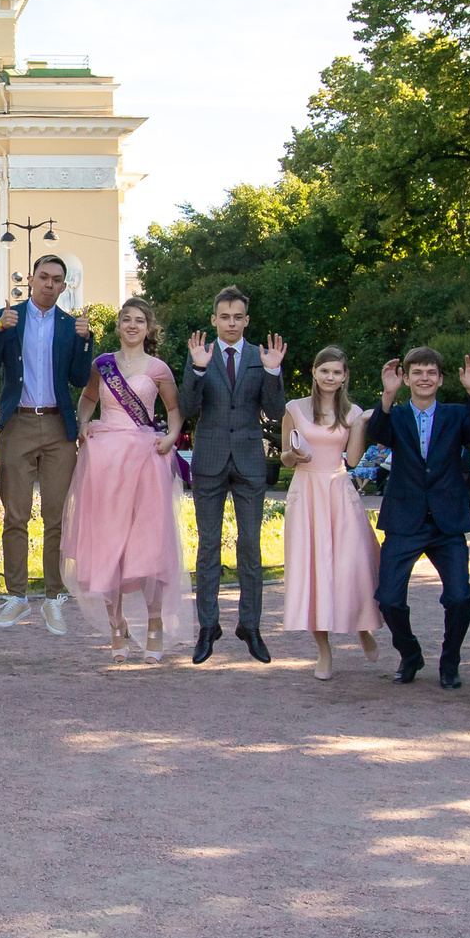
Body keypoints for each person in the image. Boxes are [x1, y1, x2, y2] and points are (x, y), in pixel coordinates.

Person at [61, 297, 189, 663]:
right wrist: (83, 423)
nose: (132, 326)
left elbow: (174, 410)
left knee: (146, 544)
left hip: (145, 459)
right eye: (126, 320)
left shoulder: (159, 368)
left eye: (140, 321)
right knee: (106, 542)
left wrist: (171, 436)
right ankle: (115, 624)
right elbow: (87, 398)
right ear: (118, 326)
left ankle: (154, 624)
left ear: (149, 328)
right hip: (104, 458)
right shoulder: (102, 364)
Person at [365, 348, 470, 687]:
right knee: (389, 599)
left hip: (447, 521)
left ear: (440, 379)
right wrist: (388, 395)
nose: (424, 377)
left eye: (431, 372)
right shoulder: (395, 416)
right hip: (404, 518)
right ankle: (410, 655)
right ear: (406, 378)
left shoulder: (457, 415)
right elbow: (376, 434)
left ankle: (450, 662)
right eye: (417, 372)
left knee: (459, 597)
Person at [0, 257, 97, 634]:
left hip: (58, 426)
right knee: (15, 515)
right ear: (31, 279)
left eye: (57, 280)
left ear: (64, 287)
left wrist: (86, 342)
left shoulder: (70, 325)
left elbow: (80, 378)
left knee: (57, 516)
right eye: (43, 277)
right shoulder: (9, 317)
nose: (49, 284)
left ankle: (53, 597)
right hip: (18, 423)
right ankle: (17, 596)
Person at [177, 285, 287, 663]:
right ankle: (208, 627)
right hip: (209, 460)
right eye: (224, 317)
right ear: (214, 319)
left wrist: (273, 372)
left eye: (238, 317)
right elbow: (188, 408)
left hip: (249, 462)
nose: (231, 323)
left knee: (251, 547)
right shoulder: (201, 355)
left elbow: (275, 412)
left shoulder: (262, 356)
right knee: (208, 548)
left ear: (247, 320)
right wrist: (196, 368)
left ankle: (250, 626)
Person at [278, 346, 381, 681]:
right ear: (314, 372)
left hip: (338, 491)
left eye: (337, 372)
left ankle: (363, 626)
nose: (330, 377)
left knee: (354, 566)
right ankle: (323, 650)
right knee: (312, 571)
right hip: (305, 492)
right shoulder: (294, 408)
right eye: (325, 371)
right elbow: (285, 458)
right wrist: (295, 456)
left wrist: (361, 426)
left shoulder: (353, 413)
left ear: (344, 376)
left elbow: (351, 461)